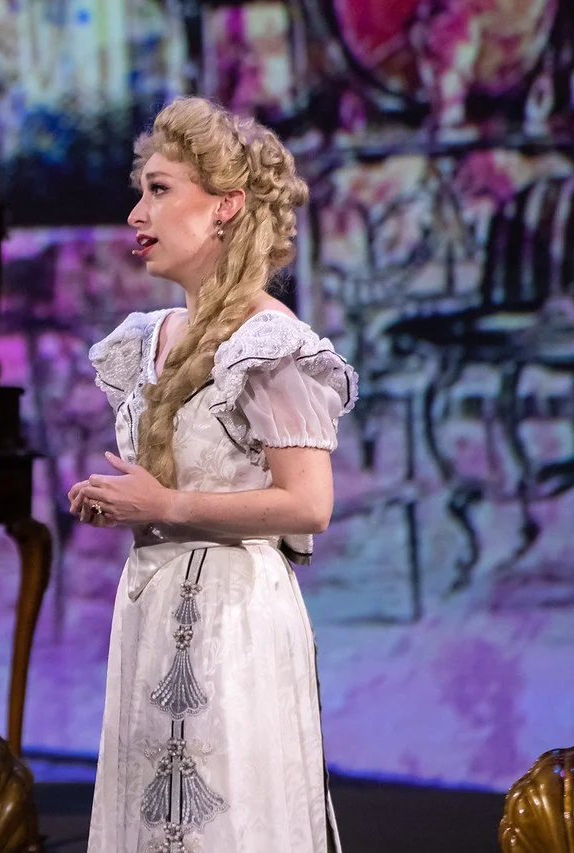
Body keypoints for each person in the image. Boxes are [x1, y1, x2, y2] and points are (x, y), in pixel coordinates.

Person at [70, 97, 356, 852]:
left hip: (234, 618)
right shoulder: (147, 339)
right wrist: (128, 503)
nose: (137, 212)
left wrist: (165, 500)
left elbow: (307, 503)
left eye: (159, 190)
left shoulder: (269, 344)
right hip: (151, 605)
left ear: (226, 206)